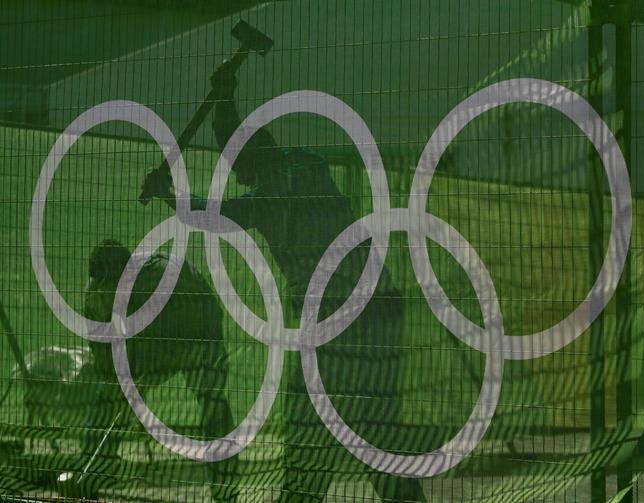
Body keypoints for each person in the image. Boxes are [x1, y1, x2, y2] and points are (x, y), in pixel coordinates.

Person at [142, 66, 426, 502]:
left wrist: (170, 195)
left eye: (242, 172)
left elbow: (219, 213)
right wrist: (224, 101)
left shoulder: (272, 192)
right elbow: (245, 155)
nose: (241, 179)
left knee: (313, 420)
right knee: (373, 422)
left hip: (340, 317)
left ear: (253, 166)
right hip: (380, 306)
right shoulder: (307, 162)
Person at [80, 239, 239, 501]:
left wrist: (140, 376)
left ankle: (225, 490)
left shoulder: (164, 281)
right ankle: (89, 476)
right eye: (104, 287)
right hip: (149, 339)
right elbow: (103, 358)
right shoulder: (95, 297)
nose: (106, 292)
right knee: (106, 398)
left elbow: (169, 340)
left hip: (197, 331)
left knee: (212, 403)